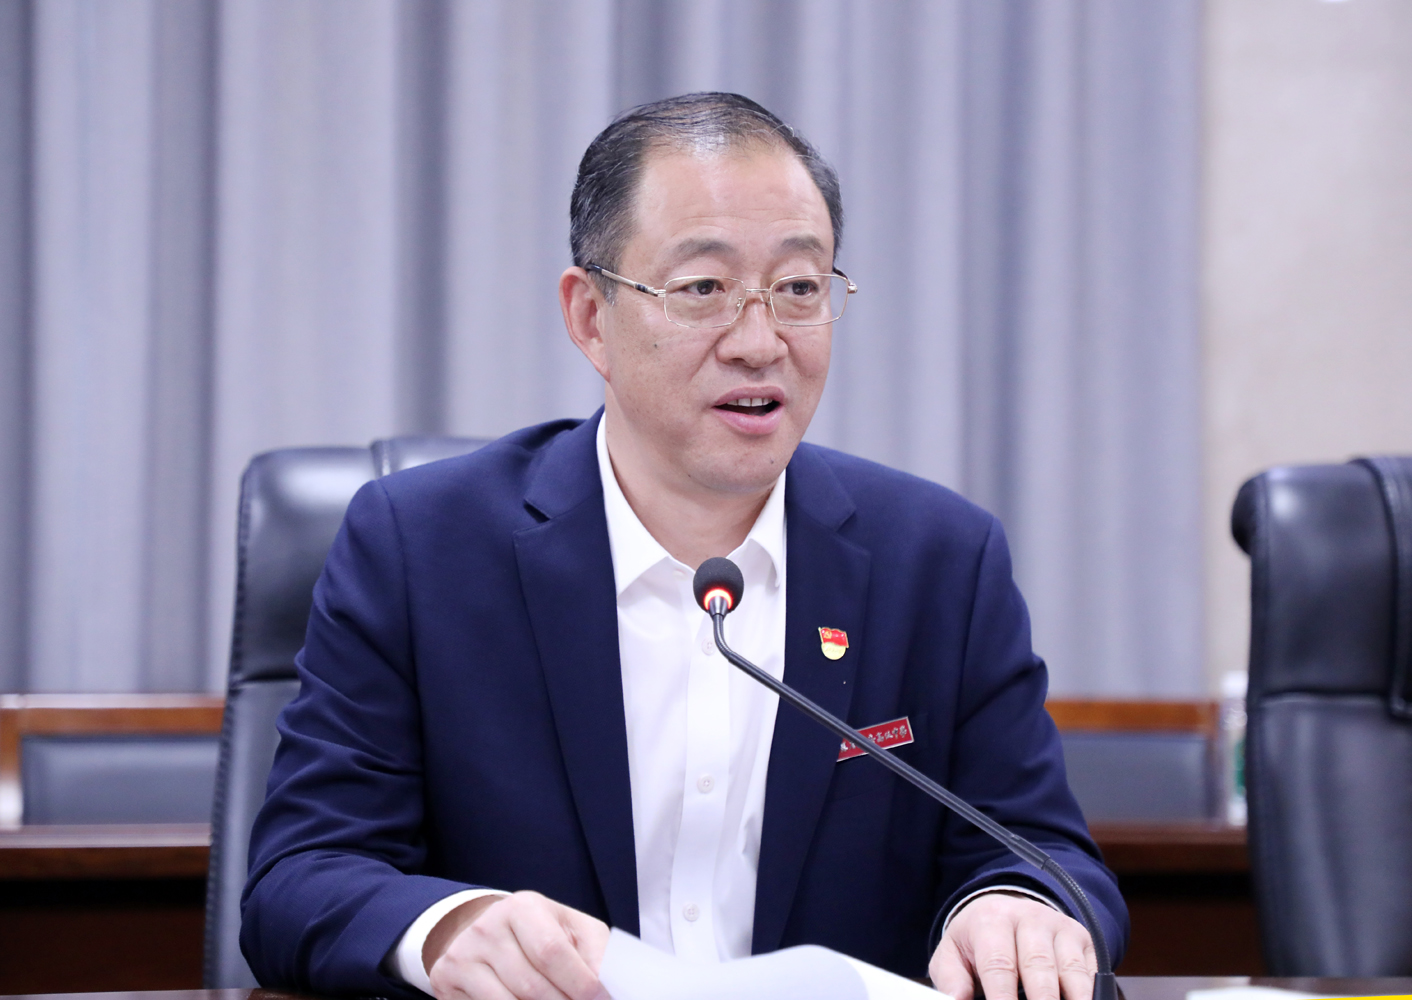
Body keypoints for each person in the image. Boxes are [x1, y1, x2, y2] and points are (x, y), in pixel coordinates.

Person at [241, 92, 1127, 1000]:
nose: (760, 342)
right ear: (591, 318)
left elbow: (1043, 852)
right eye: (704, 289)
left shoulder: (939, 562)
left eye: (799, 288)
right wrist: (448, 930)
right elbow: (300, 876)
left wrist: (1017, 905)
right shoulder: (419, 549)